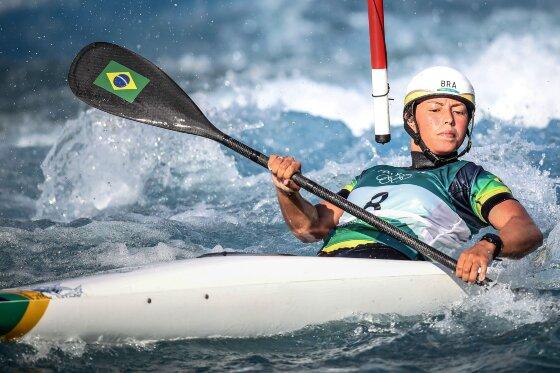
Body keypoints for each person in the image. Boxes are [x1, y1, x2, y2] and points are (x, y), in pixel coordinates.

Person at [268, 66, 543, 284]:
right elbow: (310, 228)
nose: (449, 119)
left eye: (459, 111)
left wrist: (487, 245)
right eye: (435, 109)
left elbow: (526, 229)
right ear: (411, 120)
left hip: (394, 269)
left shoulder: (468, 177)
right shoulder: (371, 175)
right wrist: (287, 190)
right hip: (328, 262)